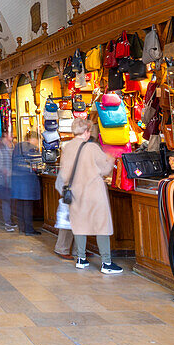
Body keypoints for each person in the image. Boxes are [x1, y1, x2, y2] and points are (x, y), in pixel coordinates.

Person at [57, 117, 121, 274]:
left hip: (75, 193)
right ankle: (106, 263)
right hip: (93, 192)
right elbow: (106, 169)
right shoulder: (91, 147)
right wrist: (111, 156)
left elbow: (64, 174)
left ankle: (81, 258)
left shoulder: (67, 147)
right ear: (86, 131)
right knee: (102, 226)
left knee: (79, 225)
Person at [10, 131, 42, 236]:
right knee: (27, 206)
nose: (37, 142)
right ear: (32, 139)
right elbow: (38, 164)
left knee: (20, 205)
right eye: (37, 139)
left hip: (16, 180)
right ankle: (28, 229)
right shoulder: (32, 148)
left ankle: (22, 227)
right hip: (27, 181)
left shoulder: (17, 147)